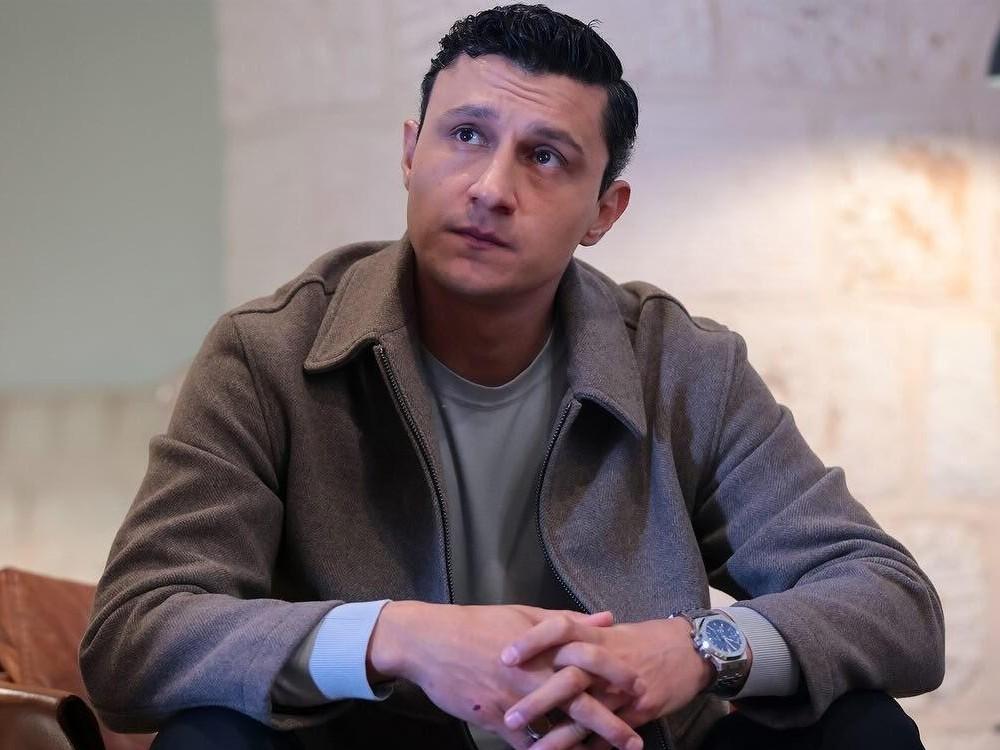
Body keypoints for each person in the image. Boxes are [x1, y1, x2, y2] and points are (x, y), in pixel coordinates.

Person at [79, 5, 944, 750]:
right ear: (411, 153)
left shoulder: (683, 364)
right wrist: (398, 637)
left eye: (545, 157)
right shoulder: (269, 353)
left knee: (861, 728)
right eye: (466, 136)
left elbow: (893, 601)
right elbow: (134, 634)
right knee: (210, 737)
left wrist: (695, 648)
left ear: (604, 210)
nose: (491, 188)